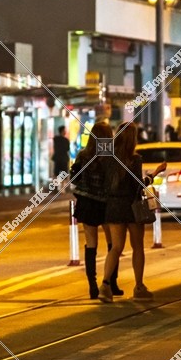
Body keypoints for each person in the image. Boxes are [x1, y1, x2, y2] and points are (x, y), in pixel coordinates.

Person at [99, 123, 165, 303]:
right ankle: (139, 287)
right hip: (131, 207)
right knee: (137, 247)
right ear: (132, 139)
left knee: (116, 247)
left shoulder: (108, 159)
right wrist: (155, 173)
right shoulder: (134, 159)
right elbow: (138, 186)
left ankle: (105, 285)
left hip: (113, 206)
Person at [70, 121, 117, 300]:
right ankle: (112, 282)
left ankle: (92, 286)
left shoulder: (83, 155)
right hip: (105, 204)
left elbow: (74, 178)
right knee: (113, 244)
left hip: (87, 203)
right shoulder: (110, 157)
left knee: (91, 245)